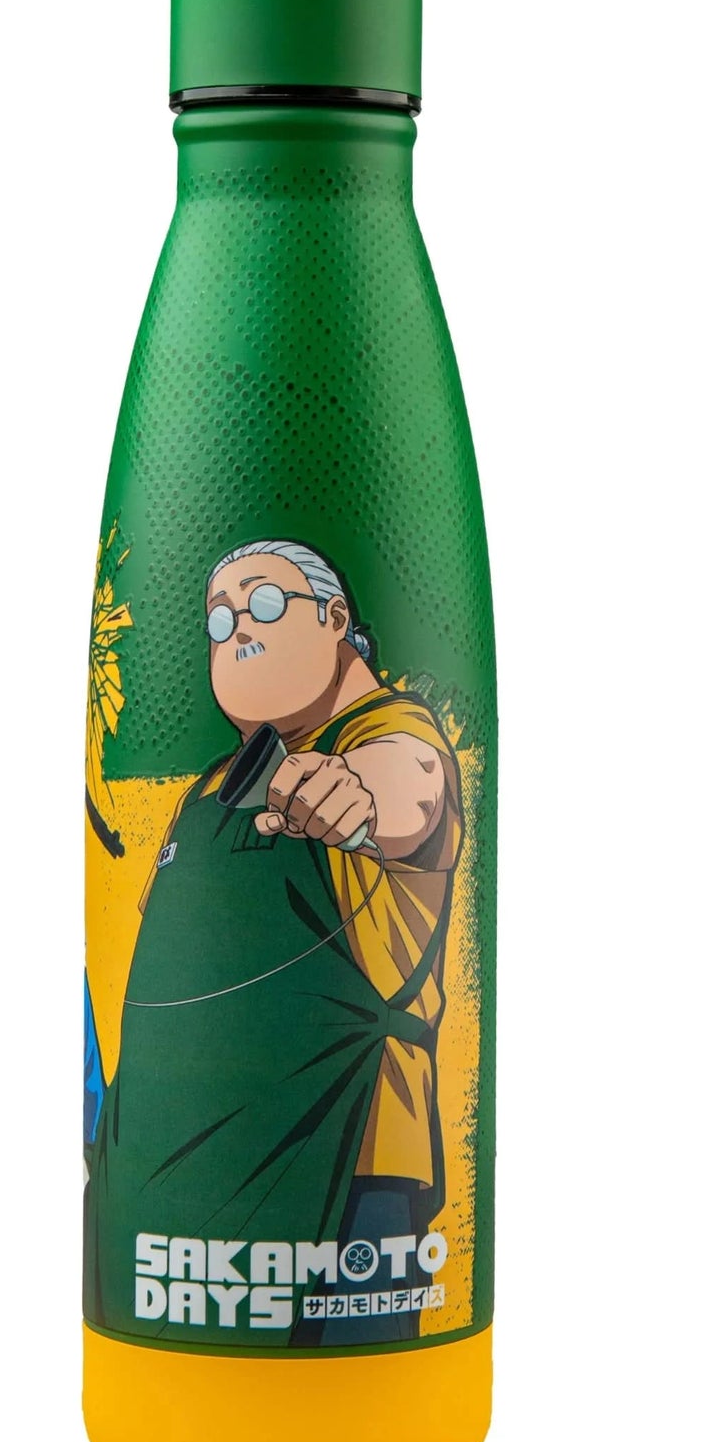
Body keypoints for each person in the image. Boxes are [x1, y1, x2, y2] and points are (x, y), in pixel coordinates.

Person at [86, 539, 463, 1347]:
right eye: (219, 619)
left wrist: (354, 797)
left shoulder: (390, 734)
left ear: (335, 617)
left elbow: (412, 788)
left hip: (348, 1176)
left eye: (262, 603)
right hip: (169, 1195)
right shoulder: (209, 789)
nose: (238, 630)